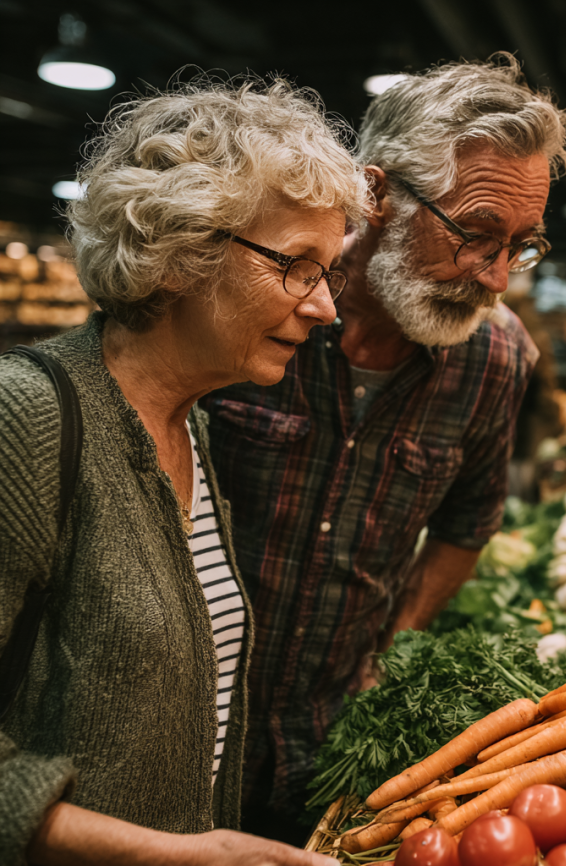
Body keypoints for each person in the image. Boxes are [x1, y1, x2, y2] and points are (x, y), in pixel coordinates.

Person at [203, 55, 566, 843]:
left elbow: (468, 526)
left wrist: (395, 642)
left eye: (521, 246)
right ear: (376, 193)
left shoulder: (494, 362)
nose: (497, 278)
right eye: (474, 235)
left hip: (329, 749)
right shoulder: (254, 306)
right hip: (175, 731)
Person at [0, 77, 367, 866]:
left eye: (329, 271)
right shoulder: (26, 418)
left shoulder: (191, 424)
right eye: (297, 265)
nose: (325, 306)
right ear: (180, 253)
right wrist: (168, 854)